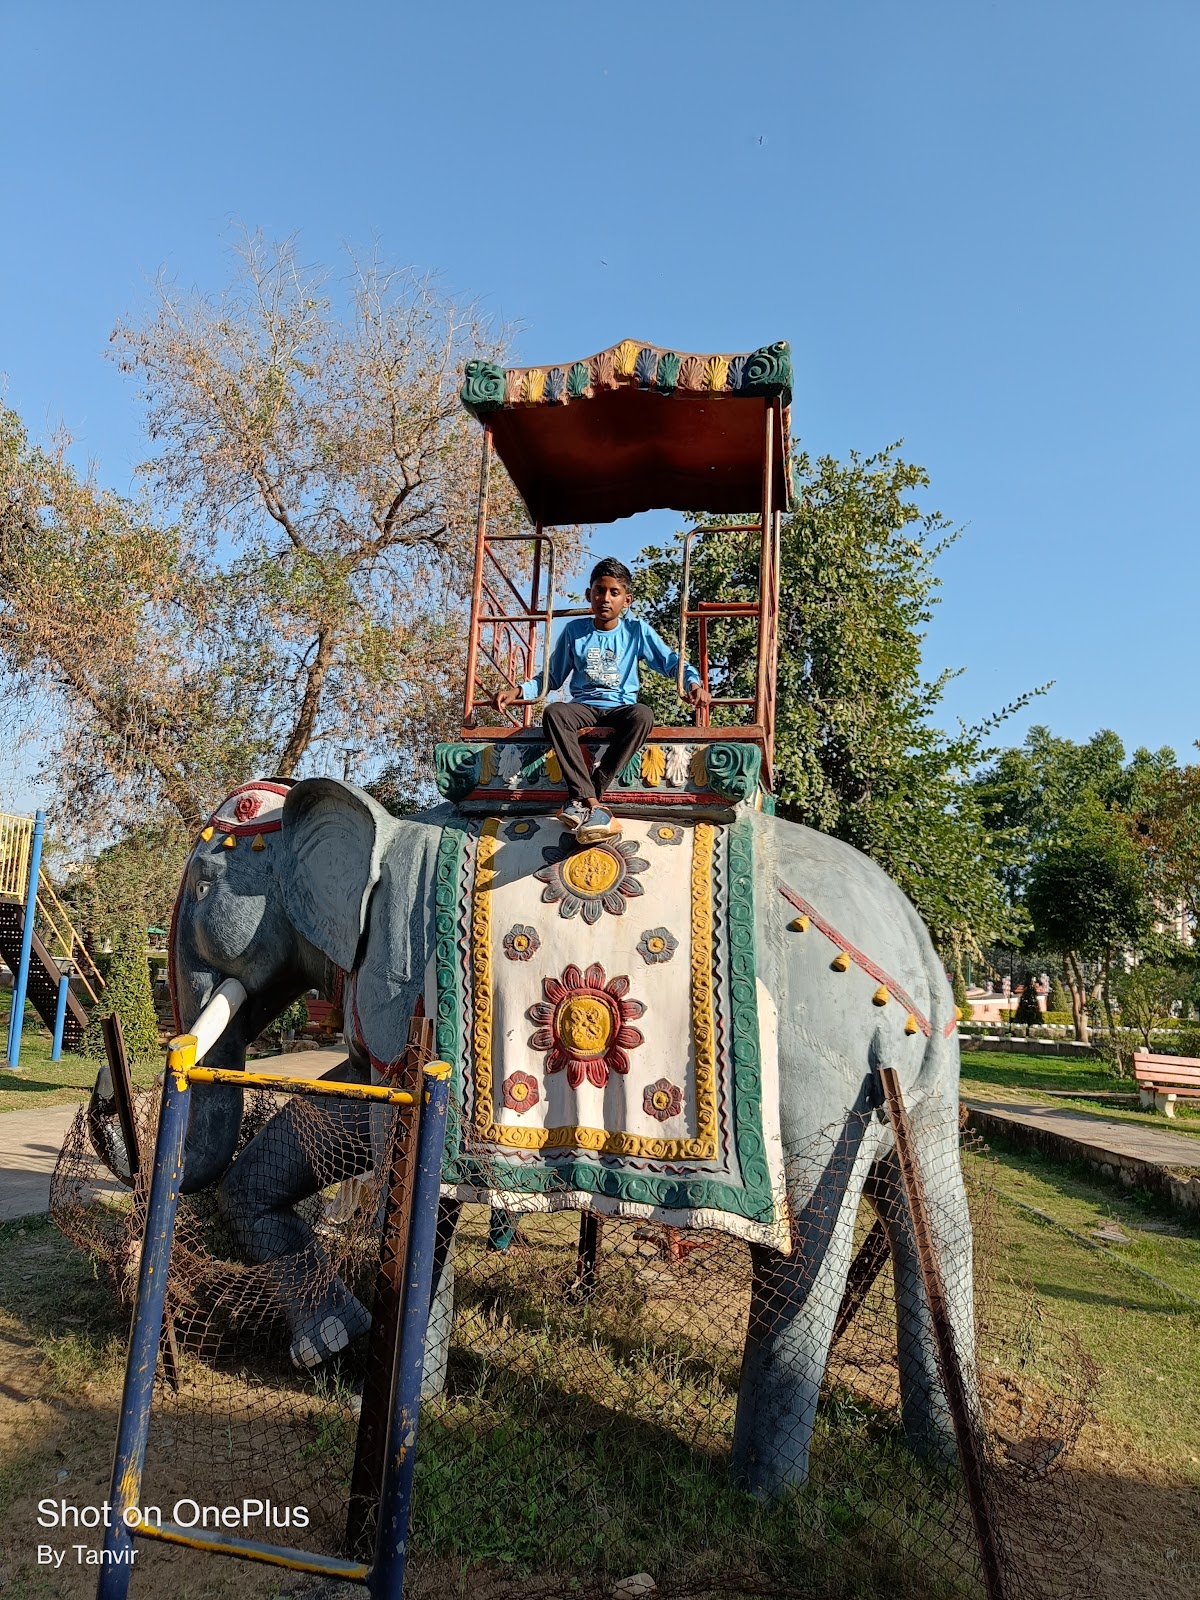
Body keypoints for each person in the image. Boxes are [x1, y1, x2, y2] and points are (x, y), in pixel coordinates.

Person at [495, 557, 709, 843]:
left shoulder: (637, 631)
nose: (605, 598)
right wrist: (518, 692)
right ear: (589, 594)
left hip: (620, 707)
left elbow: (671, 661)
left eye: (613, 593)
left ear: (627, 599)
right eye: (599, 591)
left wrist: (693, 683)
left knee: (643, 715)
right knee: (555, 713)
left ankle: (590, 792)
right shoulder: (575, 632)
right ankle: (592, 803)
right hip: (584, 706)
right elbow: (553, 677)